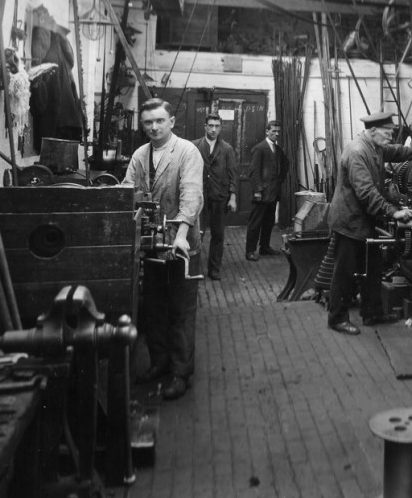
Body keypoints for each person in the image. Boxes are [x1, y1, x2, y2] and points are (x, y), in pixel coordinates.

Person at [327, 111, 412, 335]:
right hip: (349, 221)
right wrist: (393, 212)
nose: (391, 136)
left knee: (373, 268)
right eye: (388, 132)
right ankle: (336, 318)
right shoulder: (358, 152)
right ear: (372, 131)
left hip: (365, 220)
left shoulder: (375, 146)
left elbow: (398, 151)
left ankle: (372, 313)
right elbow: (366, 192)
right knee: (344, 272)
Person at [123, 98, 203, 401]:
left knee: (181, 312)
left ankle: (181, 373)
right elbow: (128, 191)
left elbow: (191, 197)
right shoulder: (140, 155)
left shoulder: (187, 152)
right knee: (154, 310)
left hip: (181, 248)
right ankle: (159, 363)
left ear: (171, 122)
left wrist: (181, 235)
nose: (154, 127)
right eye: (148, 122)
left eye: (159, 121)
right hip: (152, 246)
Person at [192, 114, 238, 280]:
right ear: (205, 127)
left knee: (218, 234)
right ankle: (193, 268)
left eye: (216, 126)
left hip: (220, 196)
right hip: (199, 197)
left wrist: (232, 197)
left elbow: (233, 174)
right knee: (197, 233)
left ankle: (214, 269)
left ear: (220, 128)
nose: (213, 129)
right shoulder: (194, 146)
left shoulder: (227, 149)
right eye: (210, 125)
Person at [245, 120, 289, 259]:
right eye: (273, 131)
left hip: (273, 193)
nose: (276, 134)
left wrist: (279, 181)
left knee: (269, 222)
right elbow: (253, 171)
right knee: (255, 223)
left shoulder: (278, 150)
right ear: (267, 131)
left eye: (278, 131)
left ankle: (264, 247)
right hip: (261, 194)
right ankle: (250, 251)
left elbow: (285, 165)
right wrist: (258, 190)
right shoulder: (259, 148)